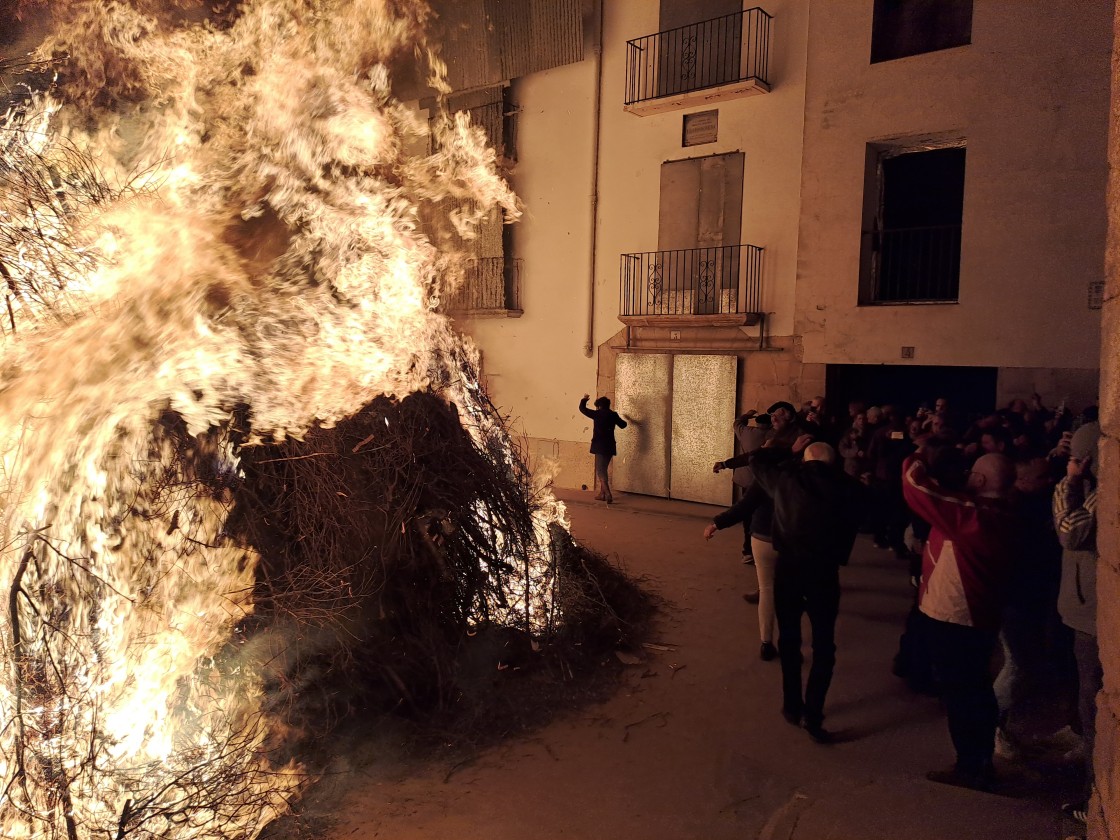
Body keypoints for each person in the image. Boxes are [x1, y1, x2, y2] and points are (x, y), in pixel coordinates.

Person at [902, 449, 1017, 791]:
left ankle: (971, 767)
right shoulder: (1002, 511)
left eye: (972, 472)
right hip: (977, 616)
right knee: (974, 688)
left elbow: (915, 486)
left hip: (956, 617)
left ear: (980, 480)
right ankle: (978, 761)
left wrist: (921, 453)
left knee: (963, 694)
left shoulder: (972, 515)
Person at [750, 436, 865, 742]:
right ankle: (813, 715)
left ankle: (791, 705)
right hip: (824, 574)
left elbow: (756, 460)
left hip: (789, 569)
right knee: (824, 645)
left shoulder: (786, 480)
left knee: (789, 639)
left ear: (804, 459)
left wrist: (789, 449)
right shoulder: (849, 488)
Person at [1052, 421, 1101, 826]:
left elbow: (1069, 532)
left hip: (1094, 618)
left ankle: (1095, 799)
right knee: (1086, 697)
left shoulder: (1103, 495)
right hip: (1084, 612)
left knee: (1095, 704)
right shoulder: (1090, 490)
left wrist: (1069, 482)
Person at [578, 394, 627, 504]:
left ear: (599, 406)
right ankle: (602, 494)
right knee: (603, 468)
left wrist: (584, 399)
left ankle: (608, 493)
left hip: (599, 446)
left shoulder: (597, 414)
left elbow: (582, 409)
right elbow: (623, 425)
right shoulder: (613, 415)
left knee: (600, 470)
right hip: (610, 446)